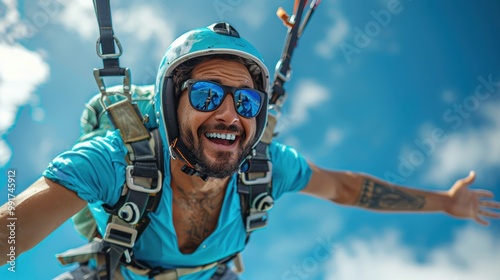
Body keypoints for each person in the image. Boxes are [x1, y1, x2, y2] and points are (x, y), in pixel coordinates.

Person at [1, 22, 500, 280]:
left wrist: (445, 202)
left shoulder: (265, 168)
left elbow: (348, 188)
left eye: (246, 101)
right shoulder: (116, 160)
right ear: (170, 106)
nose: (228, 114)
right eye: (205, 95)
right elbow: (12, 231)